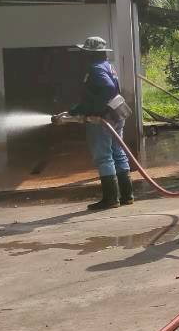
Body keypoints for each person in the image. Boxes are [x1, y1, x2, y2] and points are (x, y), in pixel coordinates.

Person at [51, 36, 133, 211]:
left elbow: (108, 88)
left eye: (85, 52)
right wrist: (76, 110)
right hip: (117, 113)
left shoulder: (95, 68)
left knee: (104, 157)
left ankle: (111, 199)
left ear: (91, 53)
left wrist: (92, 109)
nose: (83, 54)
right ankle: (127, 196)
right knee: (118, 154)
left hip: (102, 118)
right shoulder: (107, 66)